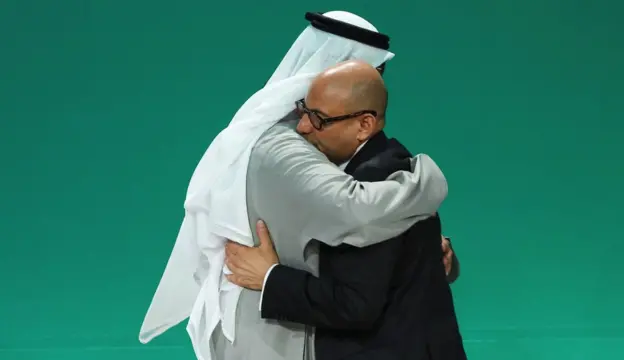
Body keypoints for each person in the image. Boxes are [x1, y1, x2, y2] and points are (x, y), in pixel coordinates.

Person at [138, 11, 448, 360]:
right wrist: (427, 182)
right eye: (373, 72)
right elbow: (355, 210)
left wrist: (419, 248)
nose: (377, 84)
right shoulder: (284, 146)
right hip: (270, 333)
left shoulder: (302, 136)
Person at [226, 60, 467, 360]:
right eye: (304, 111)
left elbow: (355, 306)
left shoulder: (371, 179)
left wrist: (270, 278)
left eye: (319, 119)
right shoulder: (390, 160)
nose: (303, 127)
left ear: (364, 125)